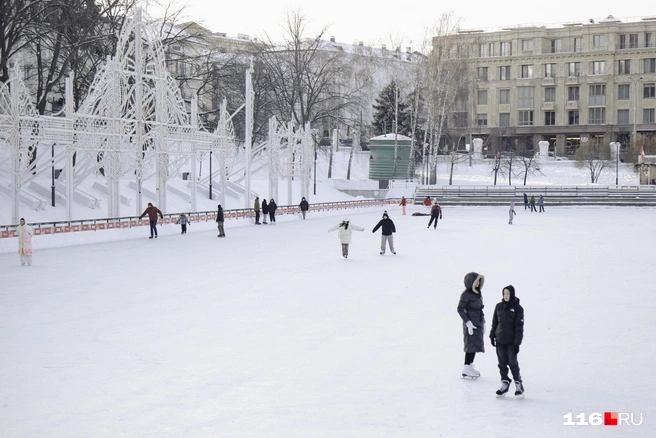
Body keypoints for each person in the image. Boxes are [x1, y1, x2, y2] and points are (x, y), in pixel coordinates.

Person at [490, 285, 525, 398]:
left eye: (508, 294)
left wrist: (517, 343)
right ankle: (505, 382)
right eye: (504, 293)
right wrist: (492, 335)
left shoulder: (518, 309)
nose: (506, 296)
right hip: (500, 340)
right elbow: (495, 322)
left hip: (511, 342)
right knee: (502, 363)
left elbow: (519, 327)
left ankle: (518, 384)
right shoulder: (498, 306)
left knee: (512, 363)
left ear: (512, 295)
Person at [457, 272, 486, 378]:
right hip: (471, 324)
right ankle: (466, 367)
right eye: (476, 281)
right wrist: (468, 322)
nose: (478, 283)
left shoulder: (477, 293)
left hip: (477, 323)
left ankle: (469, 366)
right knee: (470, 346)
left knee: (474, 346)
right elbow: (460, 309)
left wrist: (483, 322)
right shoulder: (466, 294)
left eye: (479, 281)